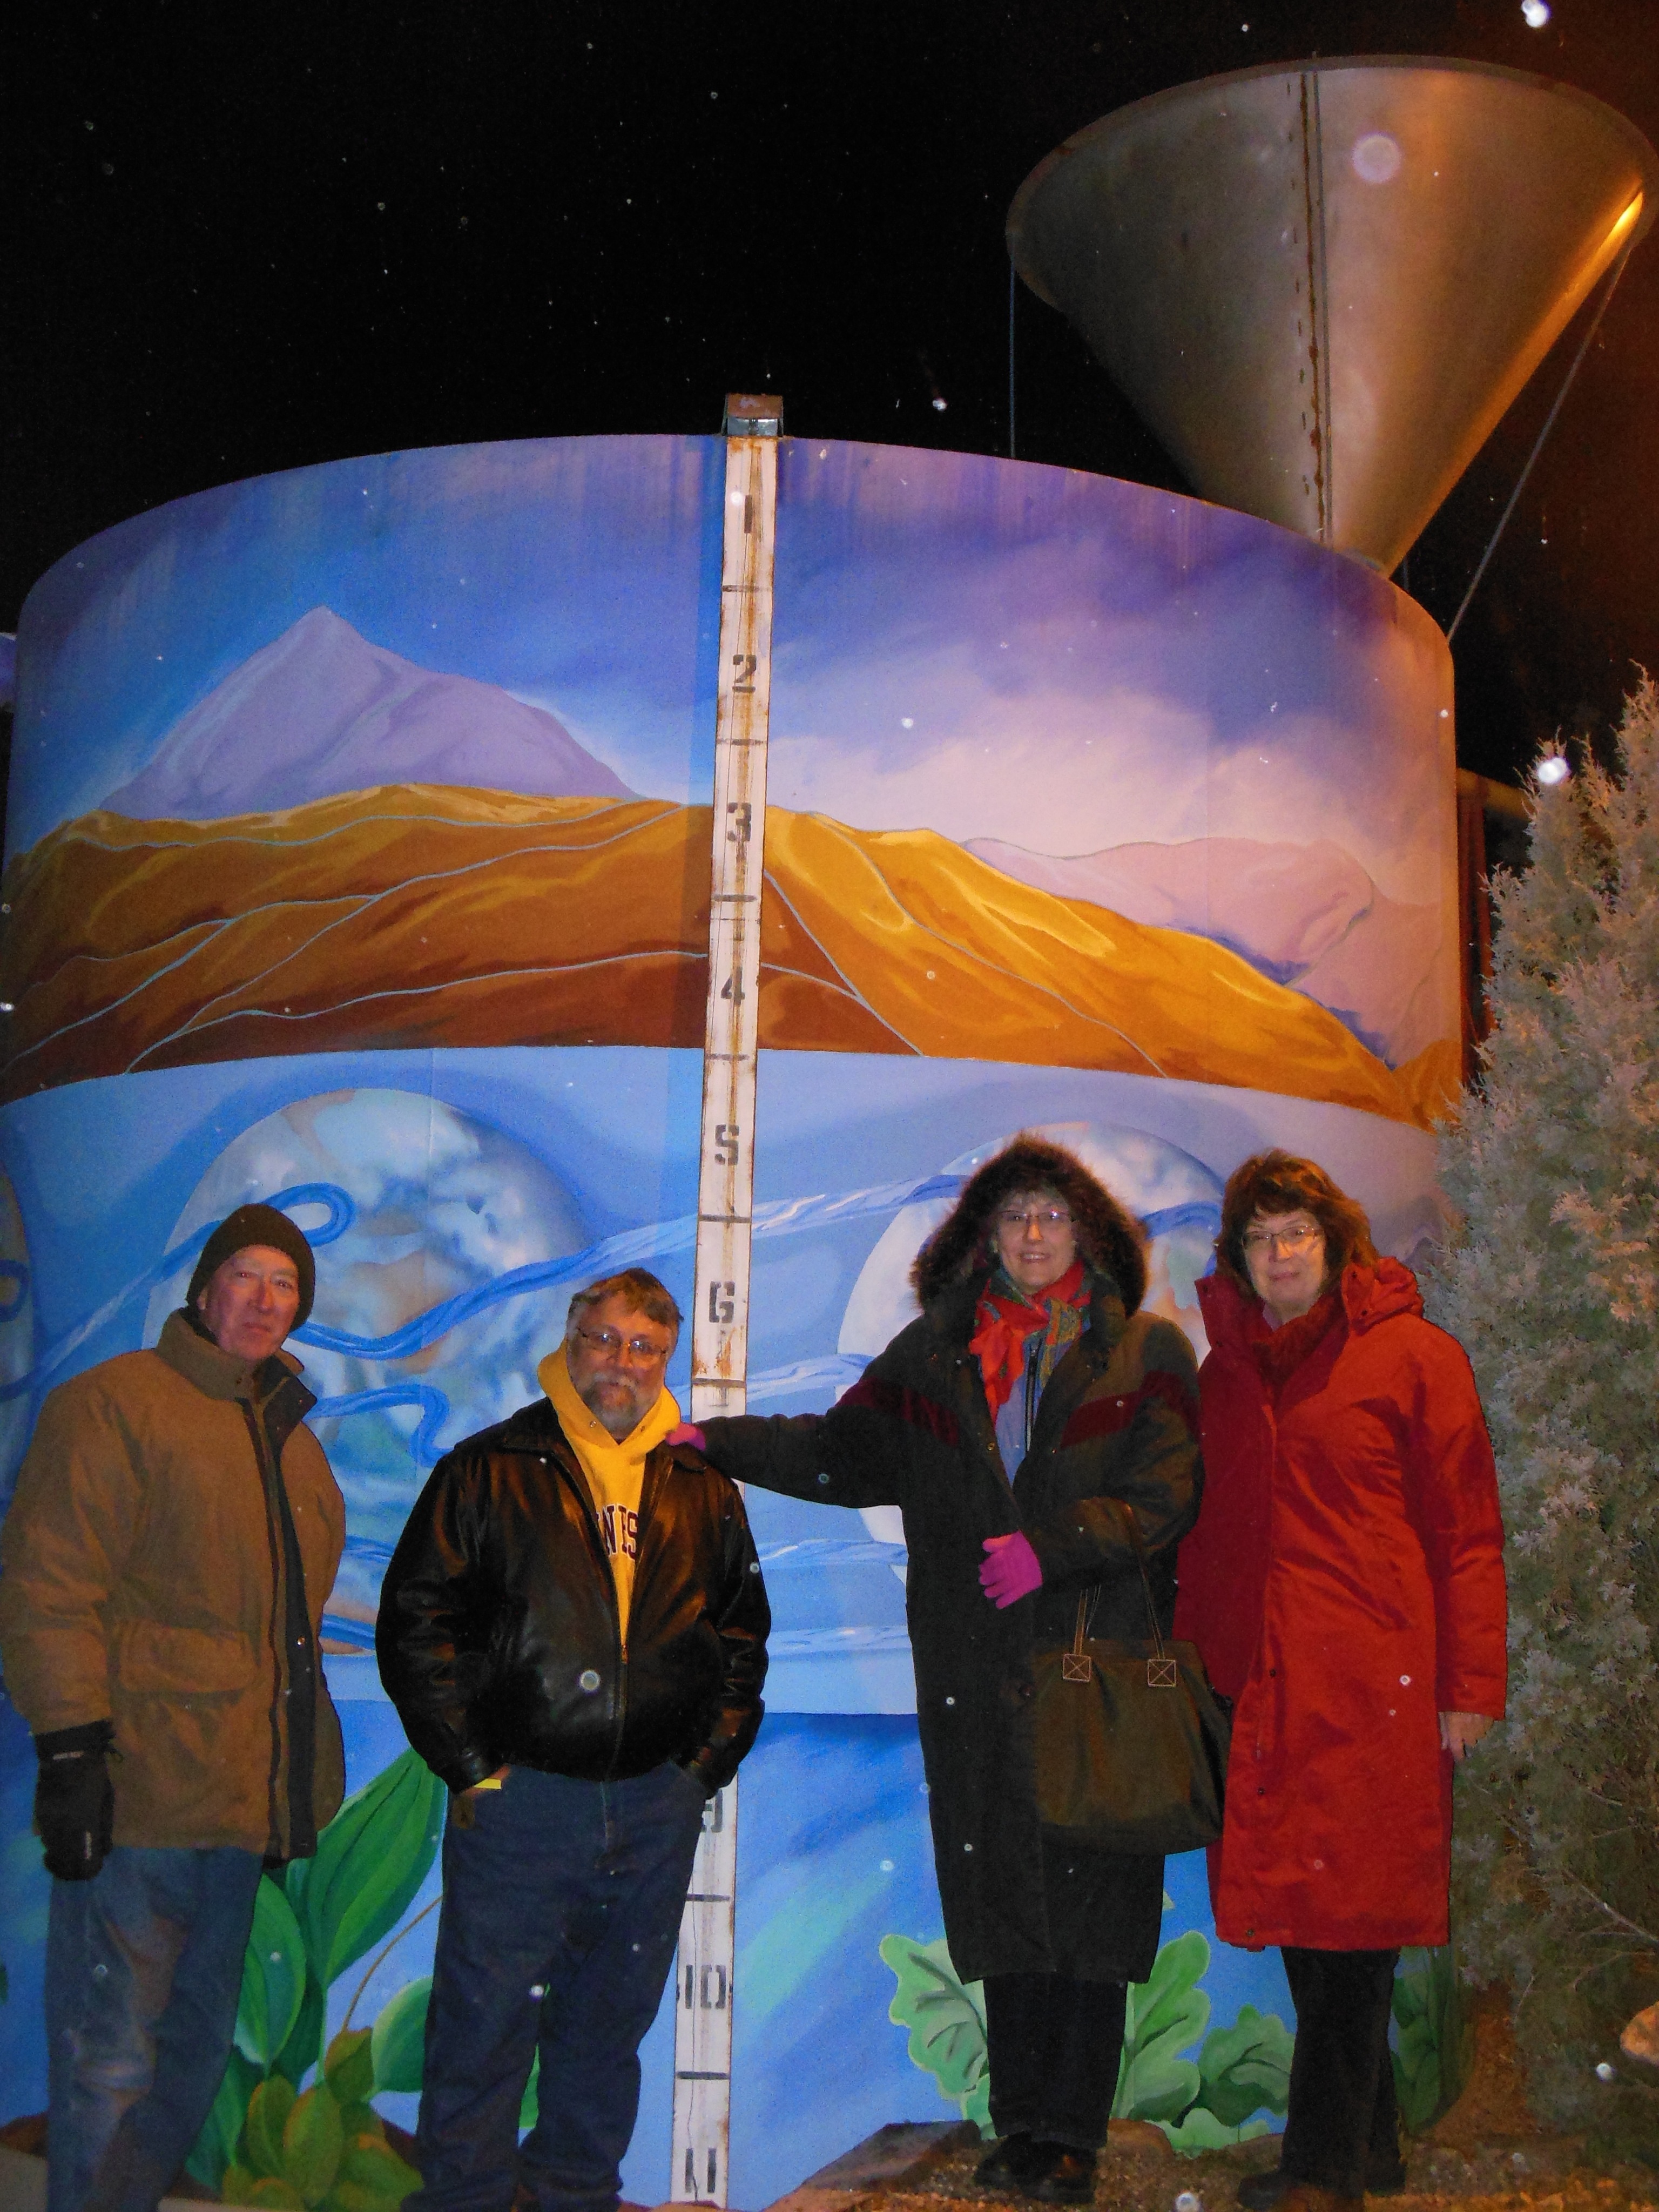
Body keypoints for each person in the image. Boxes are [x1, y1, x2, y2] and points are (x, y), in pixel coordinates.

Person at [674, 1136, 1201, 2204]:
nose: (1035, 1234)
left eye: (1054, 1215)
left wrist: (1053, 1548)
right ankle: (1021, 2125)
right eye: (1015, 1216)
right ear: (982, 1236)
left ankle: (1072, 2134)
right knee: (1004, 1895)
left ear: (1090, 1231)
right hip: (975, 1667)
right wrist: (714, 1441)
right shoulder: (935, 1354)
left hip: (1091, 1665)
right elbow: (837, 1452)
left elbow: (1167, 1494)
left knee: (1089, 1901)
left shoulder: (1146, 1350)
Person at [375, 1267, 768, 2212]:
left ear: (666, 1359)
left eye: (645, 1347)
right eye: (605, 1339)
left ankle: (576, 2196)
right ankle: (462, 2200)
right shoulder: (488, 1469)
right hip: (523, 1807)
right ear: (570, 1340)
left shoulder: (702, 1485)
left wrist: (699, 1769)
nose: (621, 1363)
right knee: (482, 2028)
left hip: (654, 1806)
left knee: (605, 2031)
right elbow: (416, 1624)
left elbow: (742, 1636)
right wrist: (473, 1768)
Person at [1173, 1152, 1507, 2212]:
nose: (1278, 1254)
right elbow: (1205, 1534)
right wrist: (1192, 1666)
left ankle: (1322, 2173)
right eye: (1259, 1237)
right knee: (1305, 1915)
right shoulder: (1225, 1375)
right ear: (1238, 1256)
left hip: (1376, 1691)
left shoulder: (1414, 1358)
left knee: (1353, 1925)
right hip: (1262, 1693)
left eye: (1297, 1233)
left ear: (1335, 1241)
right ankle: (1371, 2149)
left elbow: (1467, 1531)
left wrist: (1469, 1685)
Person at [0, 1202, 344, 2212]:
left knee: (192, 2056)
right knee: (111, 2056)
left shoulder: (291, 1441)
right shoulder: (113, 1406)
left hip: (239, 1807)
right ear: (202, 1289)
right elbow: (48, 1588)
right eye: (245, 1275)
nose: (264, 1300)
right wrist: (72, 1754)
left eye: (285, 1284)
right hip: (140, 1794)